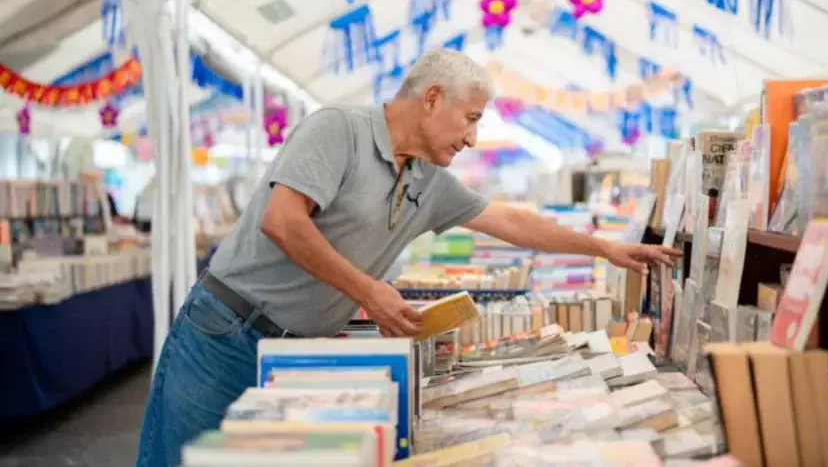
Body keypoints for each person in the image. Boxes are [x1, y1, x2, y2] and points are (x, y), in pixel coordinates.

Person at [134, 49, 680, 467]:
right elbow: (282, 221)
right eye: (469, 119)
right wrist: (368, 290)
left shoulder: (429, 179)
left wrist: (604, 247)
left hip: (292, 353)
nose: (472, 138)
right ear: (432, 97)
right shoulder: (339, 130)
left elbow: (510, 221)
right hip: (224, 332)